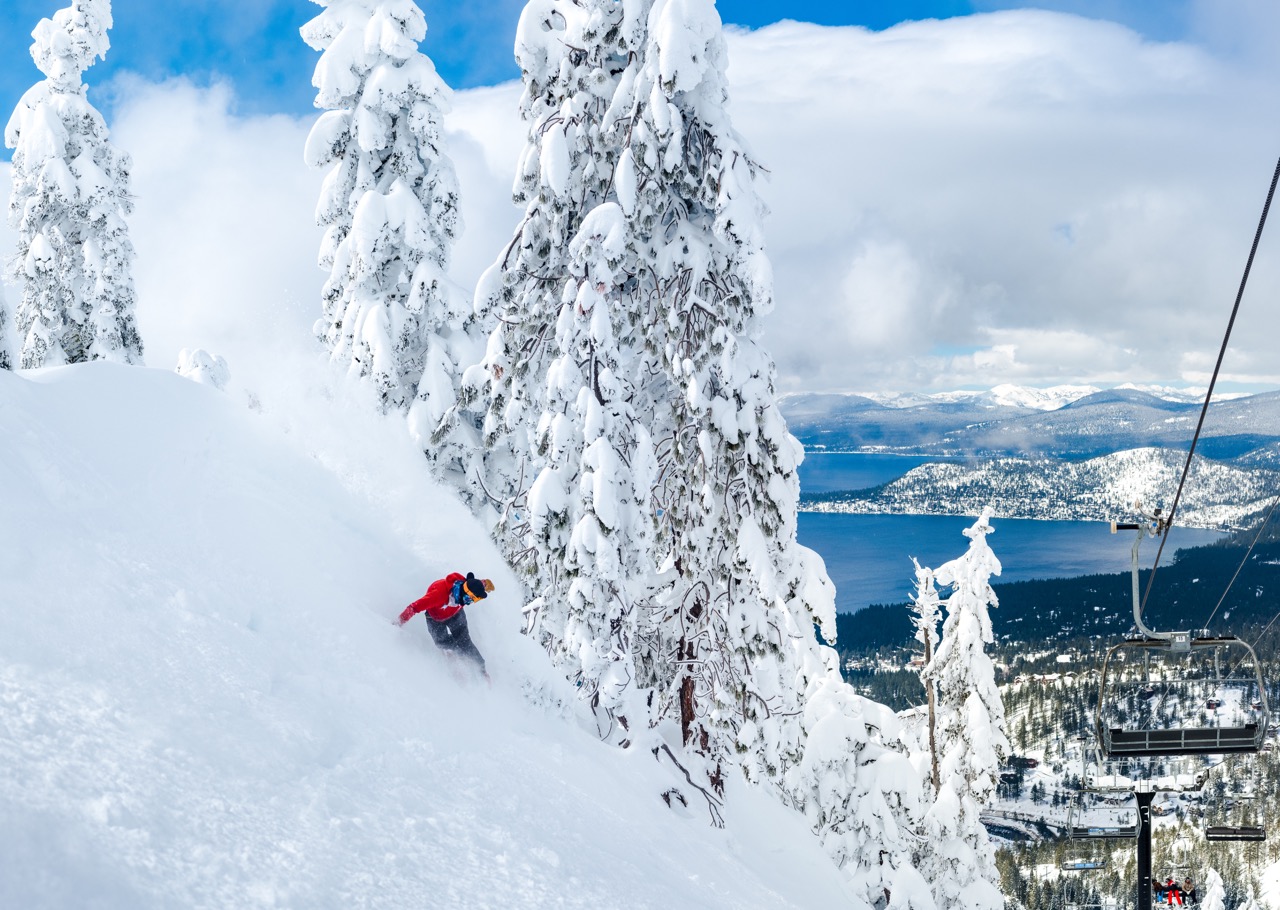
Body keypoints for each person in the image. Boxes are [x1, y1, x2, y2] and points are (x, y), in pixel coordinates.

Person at [399, 572, 495, 679]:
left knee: (464, 641)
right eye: (471, 599)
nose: (471, 602)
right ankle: (454, 653)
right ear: (467, 594)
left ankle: (481, 670)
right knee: (441, 642)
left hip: (456, 615)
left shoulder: (466, 586)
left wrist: (485, 584)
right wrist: (399, 623)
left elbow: (476, 583)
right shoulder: (438, 595)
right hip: (435, 619)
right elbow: (414, 607)